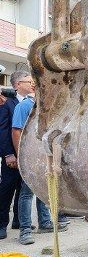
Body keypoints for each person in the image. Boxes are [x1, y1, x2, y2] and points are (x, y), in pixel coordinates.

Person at [11, 86, 68, 244]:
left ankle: (44, 222)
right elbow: (16, 131)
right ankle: (25, 230)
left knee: (44, 189)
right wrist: (20, 156)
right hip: (30, 157)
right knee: (27, 193)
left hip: (45, 156)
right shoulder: (24, 106)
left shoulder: (51, 106)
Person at [0, 71, 30, 238]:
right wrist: (8, 154)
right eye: (28, 81)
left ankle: (18, 220)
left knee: (22, 188)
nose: (32, 83)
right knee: (6, 190)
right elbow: (3, 132)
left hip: (26, 155)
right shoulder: (7, 104)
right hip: (11, 155)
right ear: (18, 84)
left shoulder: (31, 103)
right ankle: (1, 224)